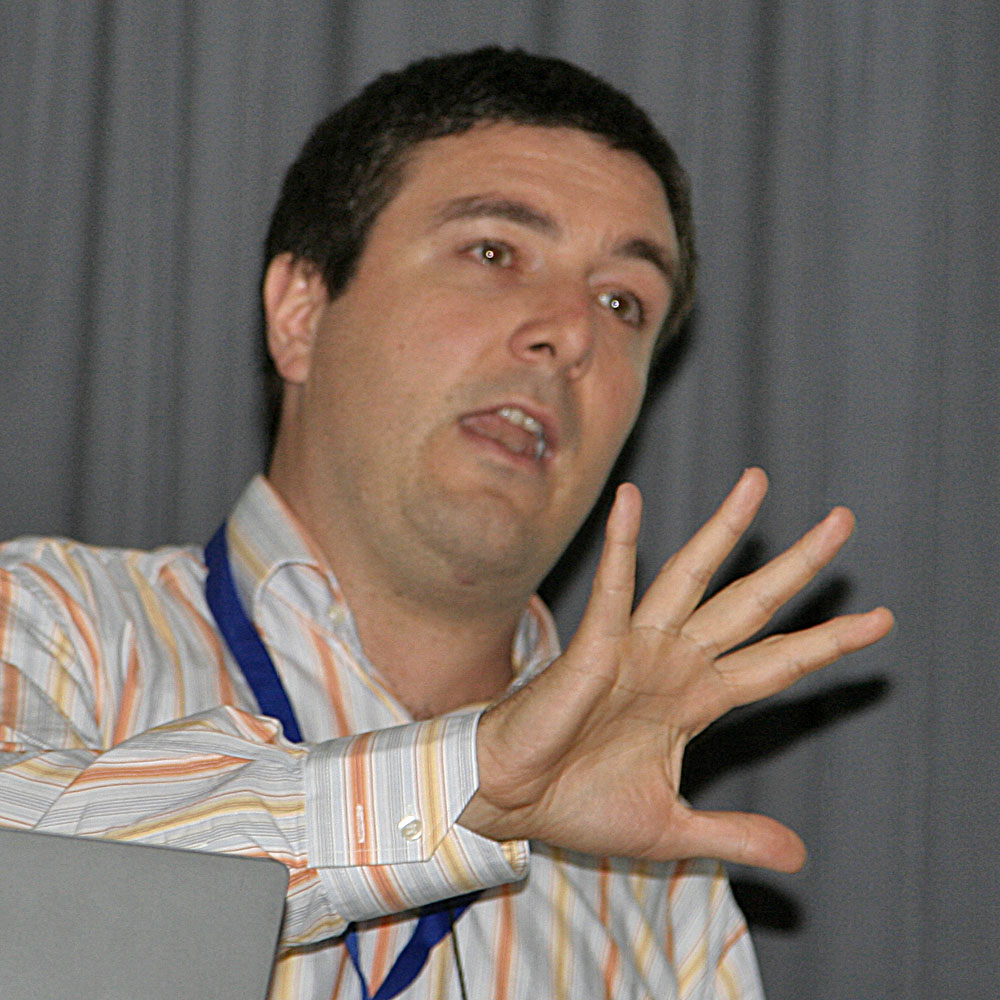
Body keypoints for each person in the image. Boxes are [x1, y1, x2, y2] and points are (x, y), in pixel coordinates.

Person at [0, 48, 892, 999]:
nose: (572, 332)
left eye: (622, 301)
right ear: (300, 312)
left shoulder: (660, 884)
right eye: (495, 253)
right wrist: (472, 780)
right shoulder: (50, 620)